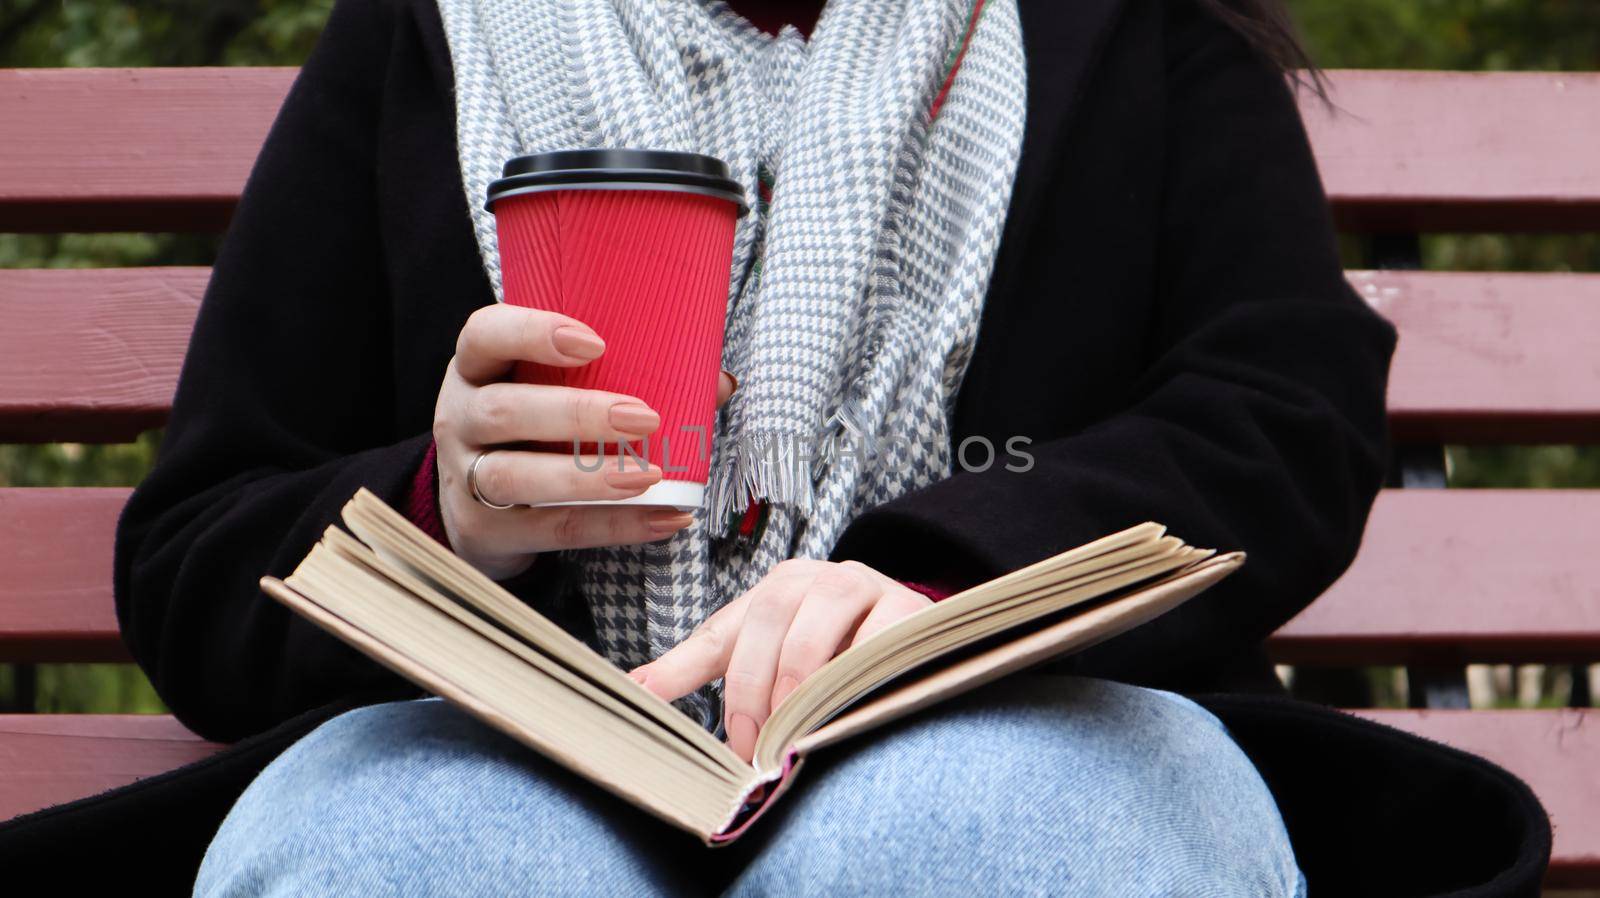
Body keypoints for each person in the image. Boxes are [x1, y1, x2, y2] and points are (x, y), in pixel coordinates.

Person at [15, 0, 1533, 895]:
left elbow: (1287, 411)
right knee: (403, 849)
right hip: (510, 752)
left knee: (994, 827)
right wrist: (442, 507)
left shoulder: (1125, 33)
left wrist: (948, 581)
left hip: (1027, 730)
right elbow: (193, 549)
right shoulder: (433, 35)